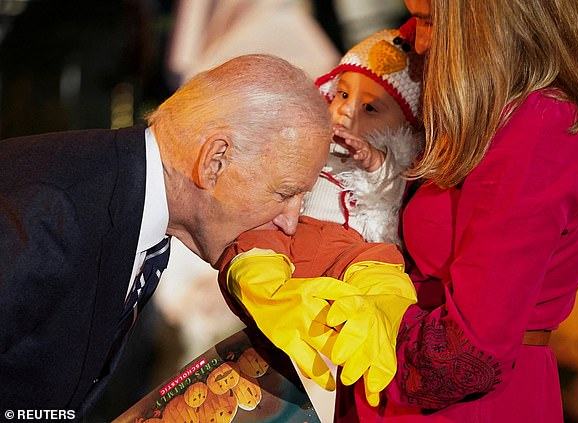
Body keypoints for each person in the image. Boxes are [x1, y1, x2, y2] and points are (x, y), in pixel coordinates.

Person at [0, 54, 338, 417]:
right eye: (286, 193)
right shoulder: (47, 212)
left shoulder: (136, 210)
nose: (290, 221)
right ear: (215, 162)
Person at [336, 0, 578, 421]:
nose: (416, 41)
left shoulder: (542, 124)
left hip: (465, 406)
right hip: (409, 386)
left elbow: (468, 354)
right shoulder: (497, 101)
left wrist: (342, 323)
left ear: (490, 21)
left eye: (430, 22)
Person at [217, 19, 425, 406]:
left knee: (385, 271)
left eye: (370, 108)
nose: (345, 112)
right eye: (342, 95)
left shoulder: (398, 167)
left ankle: (373, 322)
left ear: (405, 128)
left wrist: (375, 162)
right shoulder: (317, 147)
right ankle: (283, 302)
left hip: (350, 254)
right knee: (253, 249)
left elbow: (391, 201)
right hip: (292, 235)